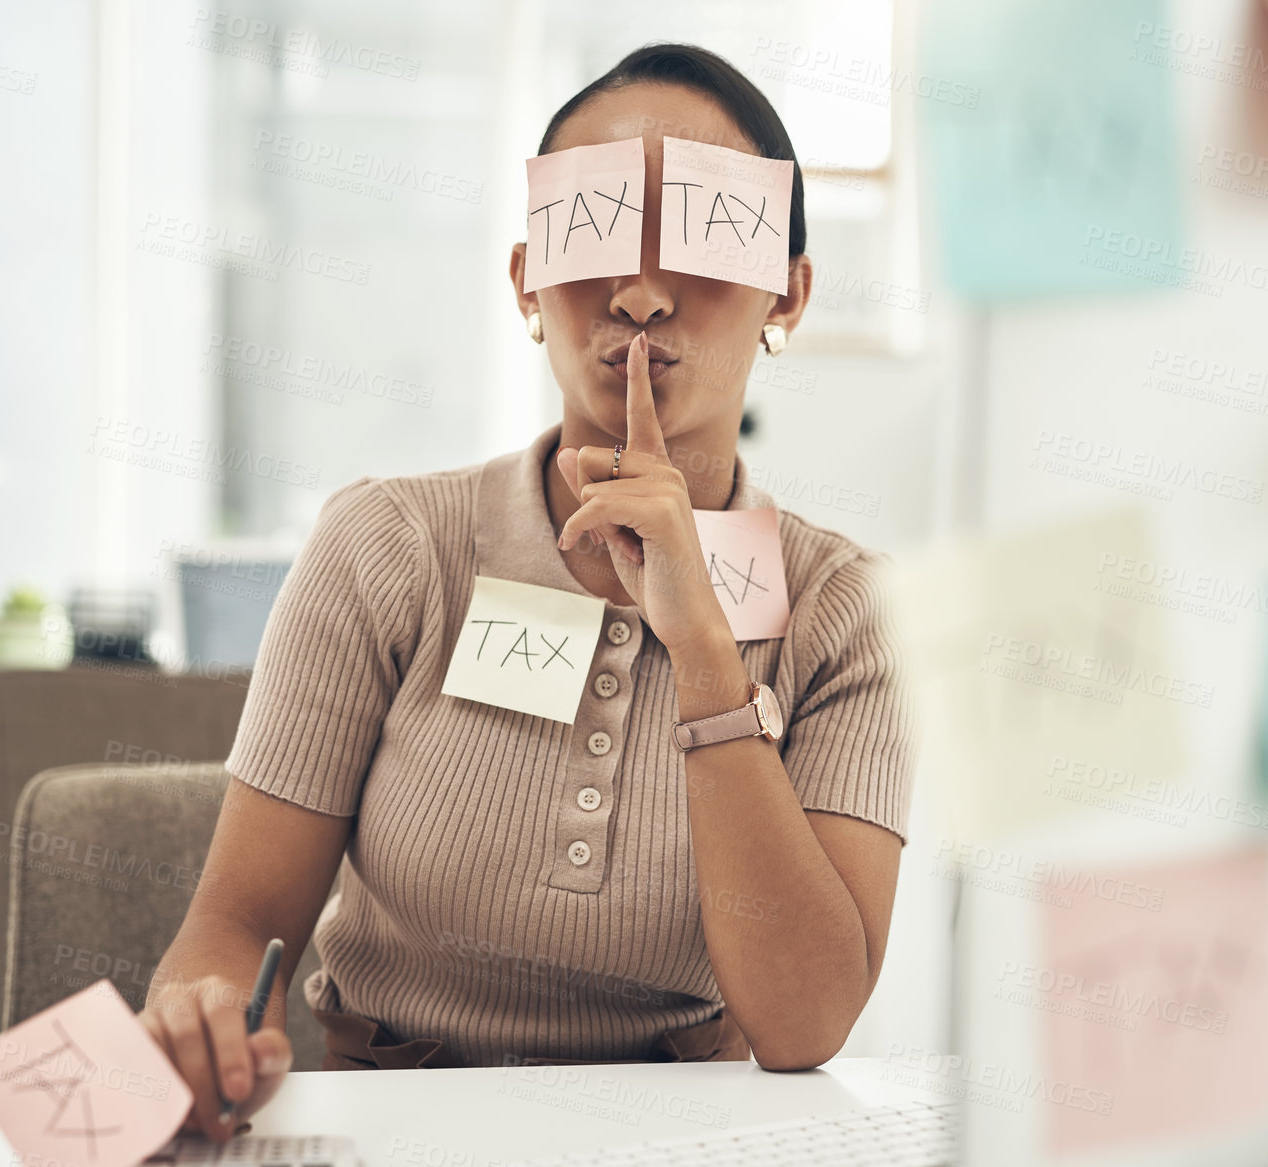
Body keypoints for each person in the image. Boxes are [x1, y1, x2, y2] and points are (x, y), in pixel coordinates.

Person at [140, 41, 921, 1142]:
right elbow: (233, 925)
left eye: (705, 236)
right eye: (591, 231)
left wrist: (703, 650)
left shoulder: (845, 612)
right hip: (385, 1128)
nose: (640, 294)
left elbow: (804, 1023)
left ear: (785, 294)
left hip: (683, 1143)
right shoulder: (388, 543)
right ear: (524, 283)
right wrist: (203, 1015)